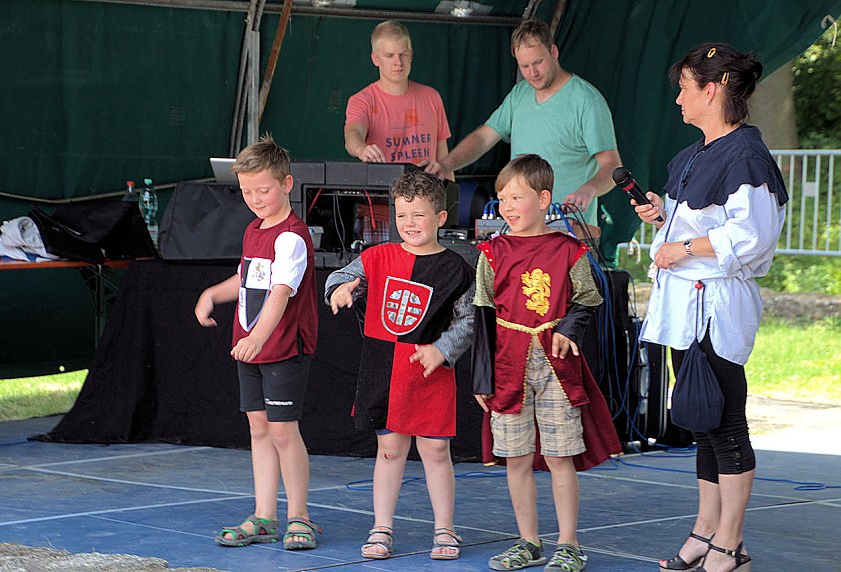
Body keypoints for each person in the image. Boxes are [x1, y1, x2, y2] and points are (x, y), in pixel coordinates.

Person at [633, 44, 787, 572]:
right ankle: (705, 529)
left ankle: (731, 542)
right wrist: (663, 218)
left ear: (713, 87)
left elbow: (753, 234)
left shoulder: (745, 155)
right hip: (686, 306)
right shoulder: (692, 154)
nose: (677, 98)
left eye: (684, 86)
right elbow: (701, 222)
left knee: (724, 422)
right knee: (701, 420)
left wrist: (685, 248)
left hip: (717, 306)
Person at [472, 154, 621, 571]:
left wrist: (569, 329)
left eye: (517, 197)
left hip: (555, 367)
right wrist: (482, 378)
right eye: (502, 199)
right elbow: (482, 312)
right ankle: (527, 541)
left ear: (543, 199)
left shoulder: (568, 250)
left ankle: (569, 544)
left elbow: (588, 298)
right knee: (516, 457)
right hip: (507, 367)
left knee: (559, 455)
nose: (508, 207)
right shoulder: (492, 252)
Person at [325, 170, 474, 561]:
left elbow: (469, 321)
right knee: (389, 450)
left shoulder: (456, 269)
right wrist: (340, 288)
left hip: (429, 374)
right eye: (403, 215)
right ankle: (381, 528)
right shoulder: (378, 256)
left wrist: (442, 349)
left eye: (419, 216)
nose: (409, 224)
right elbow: (342, 275)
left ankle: (445, 529)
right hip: (382, 371)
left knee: (436, 451)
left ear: (441, 218)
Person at [194, 135, 322, 551]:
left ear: (286, 184)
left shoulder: (292, 236)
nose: (254, 199)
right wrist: (212, 293)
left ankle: (299, 515)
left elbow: (281, 292)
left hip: (281, 345)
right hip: (250, 345)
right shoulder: (253, 230)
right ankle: (264, 515)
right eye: (246, 191)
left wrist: (257, 338)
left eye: (263, 190)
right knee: (259, 428)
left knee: (284, 430)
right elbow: (248, 277)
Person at [424, 19, 620, 226]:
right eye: (524, 66)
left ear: (554, 52)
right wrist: (446, 165)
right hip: (521, 227)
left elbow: (612, 165)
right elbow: (483, 137)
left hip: (568, 226)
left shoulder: (587, 101)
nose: (532, 73)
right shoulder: (519, 94)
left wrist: (589, 189)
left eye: (538, 62)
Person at [344, 20, 452, 172]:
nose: (398, 62)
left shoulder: (432, 97)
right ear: (375, 59)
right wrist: (361, 149)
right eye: (389, 55)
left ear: (411, 55)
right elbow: (352, 133)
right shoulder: (362, 100)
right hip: (384, 191)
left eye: (403, 54)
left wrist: (452, 194)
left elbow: (443, 159)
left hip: (426, 192)